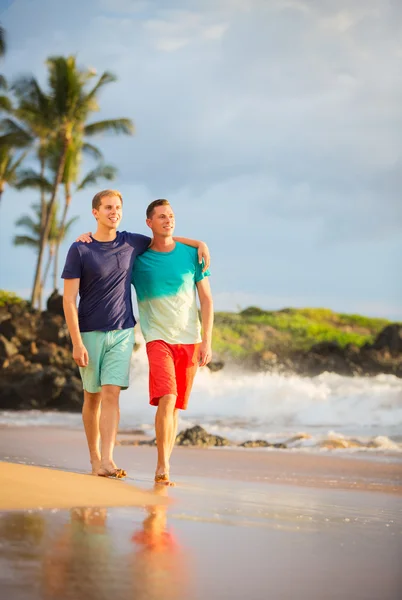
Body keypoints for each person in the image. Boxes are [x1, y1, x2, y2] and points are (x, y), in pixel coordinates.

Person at [62, 189, 209, 478]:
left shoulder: (131, 242)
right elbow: (69, 300)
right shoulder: (80, 249)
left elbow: (164, 238)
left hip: (123, 330)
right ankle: (94, 459)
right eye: (107, 208)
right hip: (90, 331)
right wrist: (77, 342)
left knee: (111, 393)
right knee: (92, 396)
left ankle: (108, 459)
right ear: (96, 212)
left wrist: (199, 243)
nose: (113, 212)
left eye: (117, 207)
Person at [131, 199, 213, 486]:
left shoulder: (192, 255)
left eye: (171, 216)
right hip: (157, 338)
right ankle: (162, 466)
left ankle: (167, 462)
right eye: (162, 217)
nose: (168, 220)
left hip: (190, 339)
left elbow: (206, 299)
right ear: (149, 222)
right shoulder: (138, 259)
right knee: (166, 397)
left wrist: (207, 341)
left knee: (176, 406)